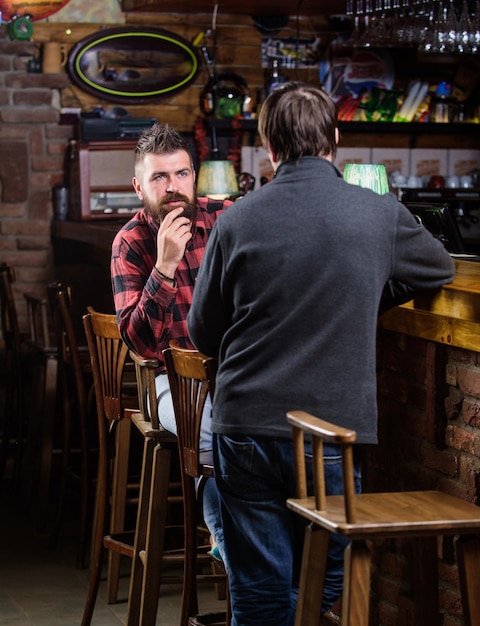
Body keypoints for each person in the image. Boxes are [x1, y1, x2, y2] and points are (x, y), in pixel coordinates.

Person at [187, 82, 456, 626]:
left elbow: (201, 330)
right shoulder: (378, 213)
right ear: (336, 139)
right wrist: (362, 297)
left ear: (269, 147)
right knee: (323, 582)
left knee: (261, 592)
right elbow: (439, 268)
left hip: (243, 422)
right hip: (328, 430)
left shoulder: (235, 219)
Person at [111, 122, 232, 559]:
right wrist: (164, 268)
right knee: (217, 431)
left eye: (181, 174)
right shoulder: (130, 242)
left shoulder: (225, 218)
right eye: (159, 177)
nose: (173, 187)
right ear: (139, 185)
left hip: (233, 374)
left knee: (253, 427)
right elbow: (140, 345)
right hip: (170, 381)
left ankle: (243, 546)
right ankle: (234, 541)